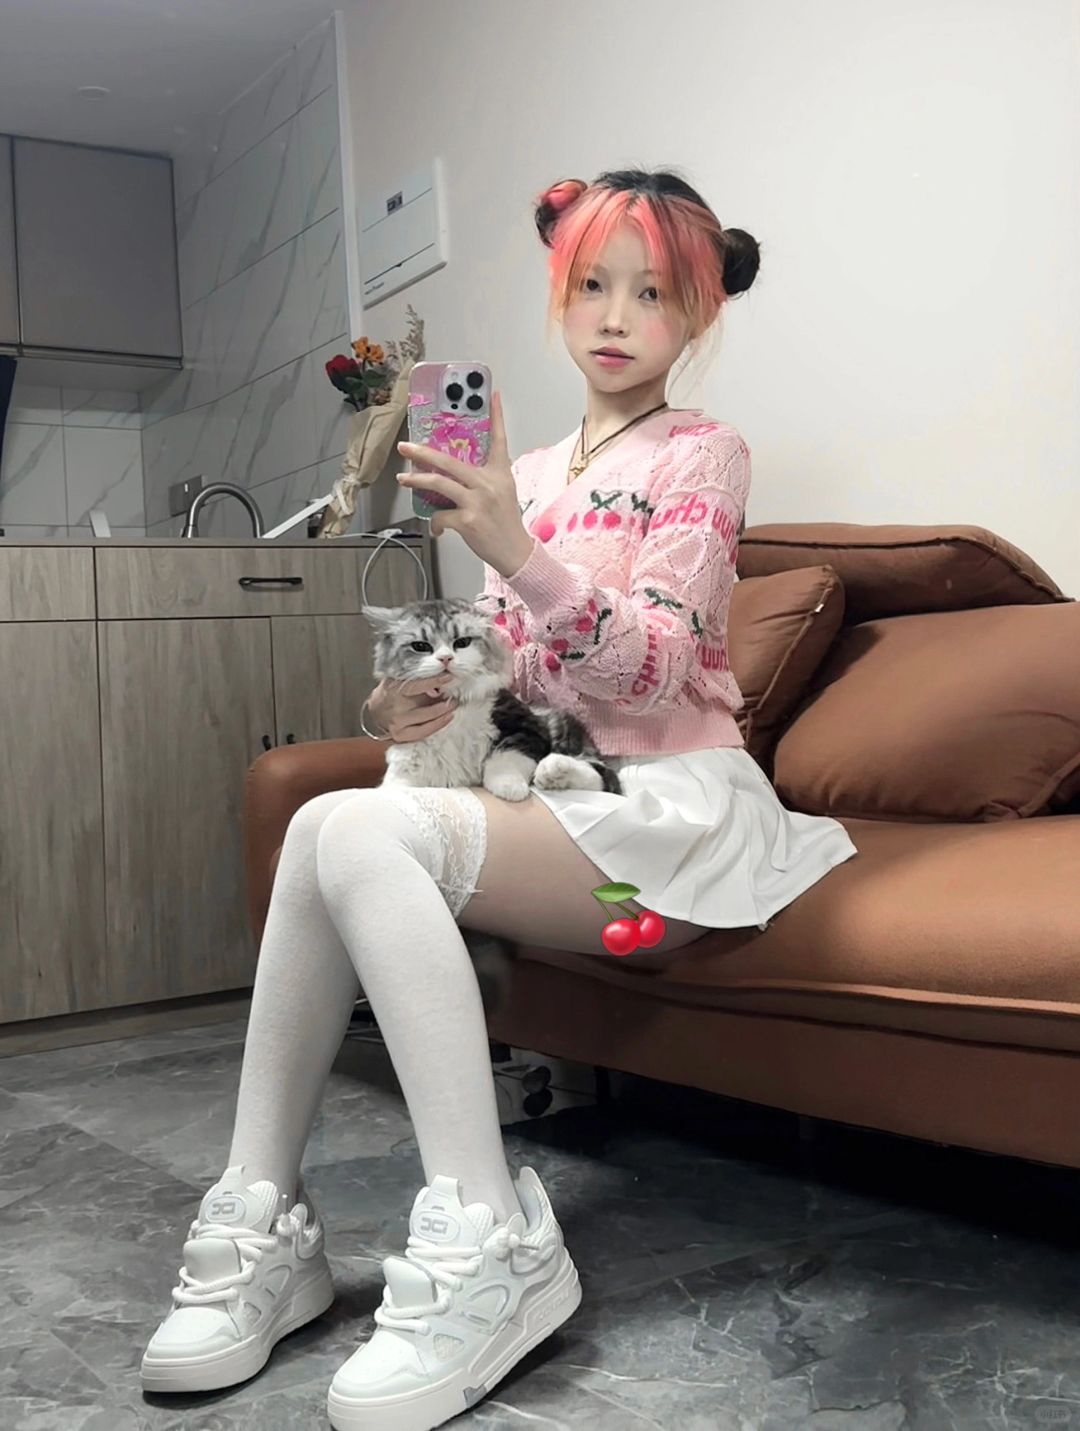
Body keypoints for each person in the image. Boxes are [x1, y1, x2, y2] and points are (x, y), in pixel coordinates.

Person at [140, 166, 858, 1431]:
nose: (617, 316)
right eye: (593, 285)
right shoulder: (518, 469)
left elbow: (651, 666)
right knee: (327, 816)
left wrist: (513, 546)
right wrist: (406, 706)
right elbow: (504, 667)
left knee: (361, 828)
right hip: (555, 785)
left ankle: (493, 1243)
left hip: (673, 808)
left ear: (699, 313)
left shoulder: (703, 453)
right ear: (558, 295)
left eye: (654, 293)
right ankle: (262, 1223)